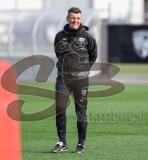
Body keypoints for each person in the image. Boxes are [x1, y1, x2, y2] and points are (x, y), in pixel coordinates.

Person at [52, 7, 97, 154]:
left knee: (81, 111)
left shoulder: (88, 37)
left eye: (78, 18)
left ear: (81, 19)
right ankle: (62, 142)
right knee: (59, 107)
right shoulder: (59, 36)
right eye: (72, 18)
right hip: (63, 79)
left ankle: (81, 143)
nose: (75, 21)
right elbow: (59, 54)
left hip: (81, 80)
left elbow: (93, 55)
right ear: (67, 19)